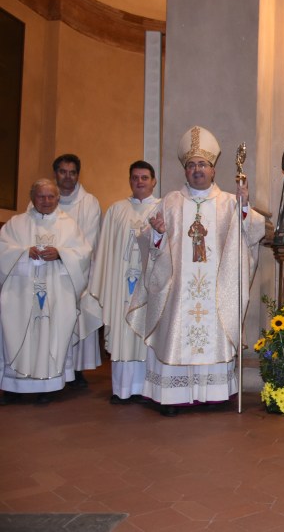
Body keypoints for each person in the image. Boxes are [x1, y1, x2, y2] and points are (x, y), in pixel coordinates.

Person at [126, 126, 265, 417]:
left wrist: (244, 206)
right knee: (177, 328)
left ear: (213, 170)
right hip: (178, 291)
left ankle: (212, 394)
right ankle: (175, 396)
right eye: (191, 165)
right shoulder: (170, 202)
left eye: (202, 164)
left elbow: (252, 231)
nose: (197, 169)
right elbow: (147, 240)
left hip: (214, 289)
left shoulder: (229, 202)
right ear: (185, 171)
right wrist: (158, 236)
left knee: (211, 328)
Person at [0, 179, 92, 404]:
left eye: (51, 196)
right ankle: (13, 386)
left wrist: (61, 253)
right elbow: (3, 249)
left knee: (51, 334)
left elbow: (83, 253)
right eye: (41, 196)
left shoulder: (68, 225)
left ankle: (48, 386)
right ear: (32, 198)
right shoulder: (16, 223)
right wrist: (24, 252)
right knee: (17, 333)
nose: (46, 201)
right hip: (20, 293)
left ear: (58, 198)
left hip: (57, 292)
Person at [89, 161, 161, 404]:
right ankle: (122, 390)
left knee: (147, 335)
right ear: (129, 180)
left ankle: (149, 389)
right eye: (135, 178)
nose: (139, 182)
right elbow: (105, 252)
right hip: (121, 285)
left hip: (150, 287)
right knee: (123, 334)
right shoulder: (116, 210)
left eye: (144, 177)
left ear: (154, 181)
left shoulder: (163, 209)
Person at [52, 154, 102, 388]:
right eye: (63, 172)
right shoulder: (42, 198)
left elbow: (89, 239)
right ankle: (52, 366)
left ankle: (77, 370)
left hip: (79, 271)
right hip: (48, 272)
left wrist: (63, 255)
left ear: (78, 175)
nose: (68, 177)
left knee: (79, 318)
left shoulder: (89, 202)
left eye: (72, 172)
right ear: (56, 174)